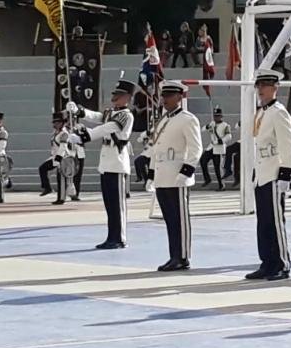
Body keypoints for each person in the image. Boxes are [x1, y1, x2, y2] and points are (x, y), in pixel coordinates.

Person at [66, 80, 136, 249]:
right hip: (106, 164)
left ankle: (120, 238)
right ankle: (111, 236)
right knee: (110, 205)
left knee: (117, 206)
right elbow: (97, 116)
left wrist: (84, 137)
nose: (115, 98)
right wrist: (79, 110)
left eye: (118, 95)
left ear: (127, 98)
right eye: (114, 95)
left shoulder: (125, 115)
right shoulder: (111, 112)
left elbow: (107, 128)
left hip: (118, 165)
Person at [245, 69, 291, 281]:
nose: (261, 90)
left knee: (275, 221)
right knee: (263, 221)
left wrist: (286, 172)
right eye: (259, 86)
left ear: (275, 87)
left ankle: (281, 264)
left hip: (275, 171)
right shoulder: (261, 112)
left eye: (265, 86)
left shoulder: (278, 112)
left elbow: (289, 143)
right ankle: (267, 262)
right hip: (262, 172)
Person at [146, 81, 202, 271]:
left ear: (180, 97)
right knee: (170, 219)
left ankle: (183, 256)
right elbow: (156, 148)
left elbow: (196, 149)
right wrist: (152, 174)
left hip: (177, 174)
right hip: (163, 174)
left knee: (180, 219)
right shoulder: (163, 120)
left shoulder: (187, 119)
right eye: (164, 96)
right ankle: (174, 255)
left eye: (170, 95)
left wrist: (186, 172)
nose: (165, 99)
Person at [200, 108, 232, 191]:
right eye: (215, 116)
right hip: (211, 147)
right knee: (203, 160)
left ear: (221, 116)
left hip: (219, 148)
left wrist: (220, 140)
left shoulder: (225, 125)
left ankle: (221, 185)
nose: (217, 118)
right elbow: (202, 129)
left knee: (217, 167)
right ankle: (207, 179)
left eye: (218, 116)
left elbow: (229, 136)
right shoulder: (212, 123)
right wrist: (208, 126)